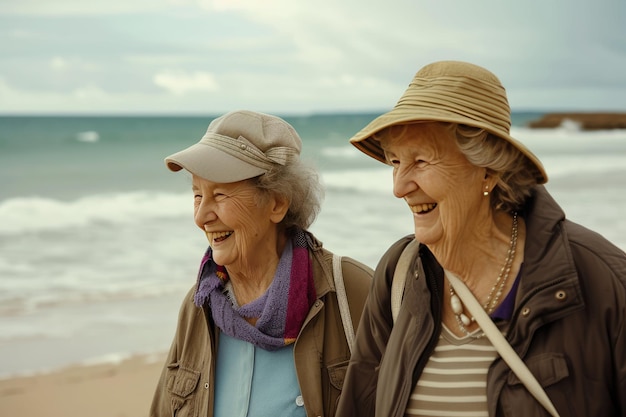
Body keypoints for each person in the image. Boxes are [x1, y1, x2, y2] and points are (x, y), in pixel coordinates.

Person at [336, 61, 626, 417]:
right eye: (396, 162)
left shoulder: (602, 280)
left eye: (422, 161)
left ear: (487, 169)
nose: (399, 188)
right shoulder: (399, 273)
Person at [150, 110, 373, 417]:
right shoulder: (198, 306)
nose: (201, 217)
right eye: (198, 195)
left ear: (277, 202)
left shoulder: (352, 291)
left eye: (221, 194)